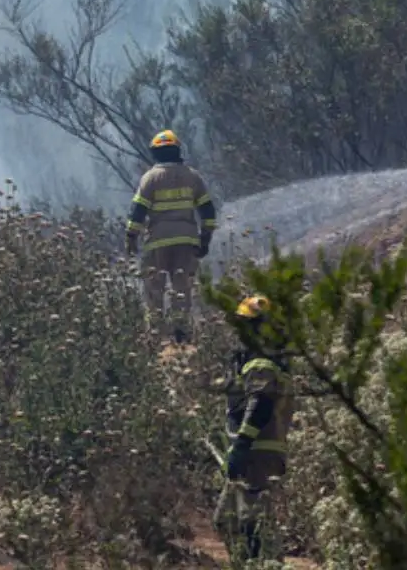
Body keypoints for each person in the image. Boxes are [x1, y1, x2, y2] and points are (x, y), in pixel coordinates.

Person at [214, 294, 294, 562]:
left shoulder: (260, 363)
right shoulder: (269, 360)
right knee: (231, 521)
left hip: (255, 456)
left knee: (251, 528)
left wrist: (240, 446)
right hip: (261, 454)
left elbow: (260, 406)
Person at [125, 129, 218, 343]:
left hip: (157, 242)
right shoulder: (193, 177)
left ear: (155, 153)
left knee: (153, 290)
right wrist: (206, 238)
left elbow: (137, 211)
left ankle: (156, 334)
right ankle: (181, 332)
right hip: (187, 242)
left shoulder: (150, 178)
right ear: (177, 151)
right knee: (182, 288)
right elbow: (207, 210)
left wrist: (131, 236)